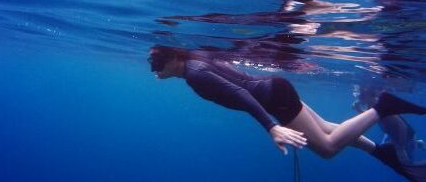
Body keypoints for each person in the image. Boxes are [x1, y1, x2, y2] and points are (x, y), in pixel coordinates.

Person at [148, 45, 426, 181]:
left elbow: (240, 95)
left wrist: (271, 127)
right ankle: (381, 152)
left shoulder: (195, 76)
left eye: (158, 64)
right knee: (328, 129)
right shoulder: (195, 60)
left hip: (274, 99)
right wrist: (167, 73)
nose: (155, 70)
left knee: (327, 148)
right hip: (276, 91)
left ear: (175, 58)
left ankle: (383, 107)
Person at [353, 85, 426, 165]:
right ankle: (418, 143)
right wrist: (358, 109)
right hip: (391, 134)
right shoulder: (372, 104)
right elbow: (369, 117)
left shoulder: (381, 106)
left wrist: (401, 149)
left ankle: (415, 143)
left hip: (406, 135)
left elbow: (402, 127)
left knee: (406, 163)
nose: (357, 97)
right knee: (384, 151)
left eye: (360, 96)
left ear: (370, 95)